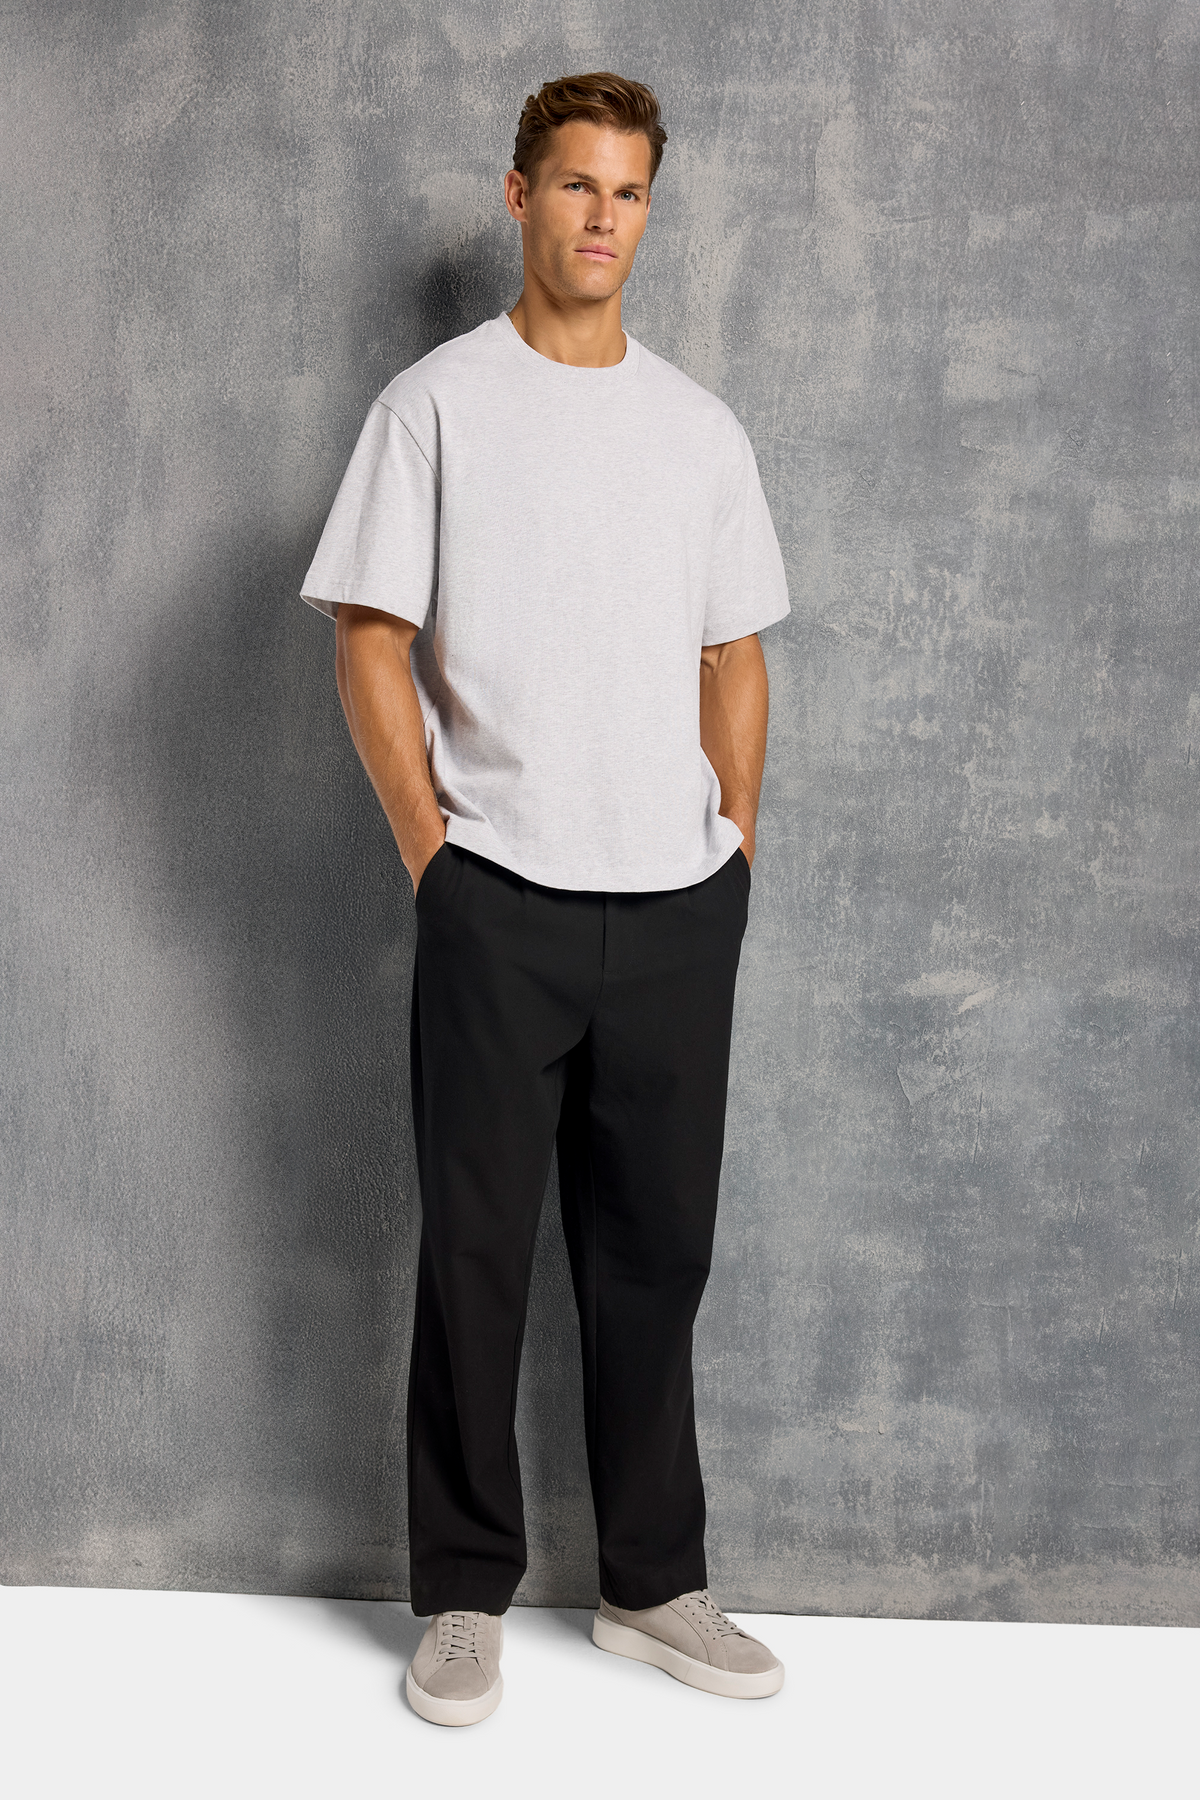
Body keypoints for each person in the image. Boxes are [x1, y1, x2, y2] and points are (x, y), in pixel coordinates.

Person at [301, 71, 790, 1727]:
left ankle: (653, 1584)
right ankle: (462, 1593)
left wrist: (735, 847)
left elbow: (734, 652)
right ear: (519, 197)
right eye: (575, 184)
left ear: (650, 211)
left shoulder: (698, 429)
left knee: (658, 1258)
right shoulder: (436, 406)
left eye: (628, 191)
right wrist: (431, 854)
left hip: (674, 905)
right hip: (496, 892)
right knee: (478, 1258)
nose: (602, 216)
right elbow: (371, 634)